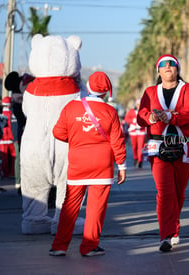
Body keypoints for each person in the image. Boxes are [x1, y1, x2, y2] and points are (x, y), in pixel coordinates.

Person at [137, 54, 189, 252]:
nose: (168, 66)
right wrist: (151, 117)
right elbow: (140, 116)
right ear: (158, 70)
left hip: (183, 146)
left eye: (172, 64)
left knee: (179, 193)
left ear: (177, 69)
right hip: (157, 148)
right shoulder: (150, 91)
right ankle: (166, 235)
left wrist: (169, 116)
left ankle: (174, 228)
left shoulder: (188, 89)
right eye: (163, 64)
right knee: (164, 193)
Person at [49, 71, 127, 257]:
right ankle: (89, 246)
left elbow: (57, 132)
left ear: (89, 86)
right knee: (96, 207)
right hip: (102, 164)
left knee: (70, 206)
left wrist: (76, 139)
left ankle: (59, 246)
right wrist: (122, 166)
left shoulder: (71, 107)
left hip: (78, 162)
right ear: (107, 92)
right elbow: (117, 141)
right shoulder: (110, 111)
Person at [124, 99, 146, 168]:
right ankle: (135, 157)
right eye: (138, 104)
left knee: (140, 147)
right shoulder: (131, 111)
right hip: (133, 131)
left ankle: (140, 160)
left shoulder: (144, 111)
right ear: (136, 105)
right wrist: (133, 121)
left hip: (141, 131)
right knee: (134, 147)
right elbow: (126, 119)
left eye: (140, 104)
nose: (139, 106)